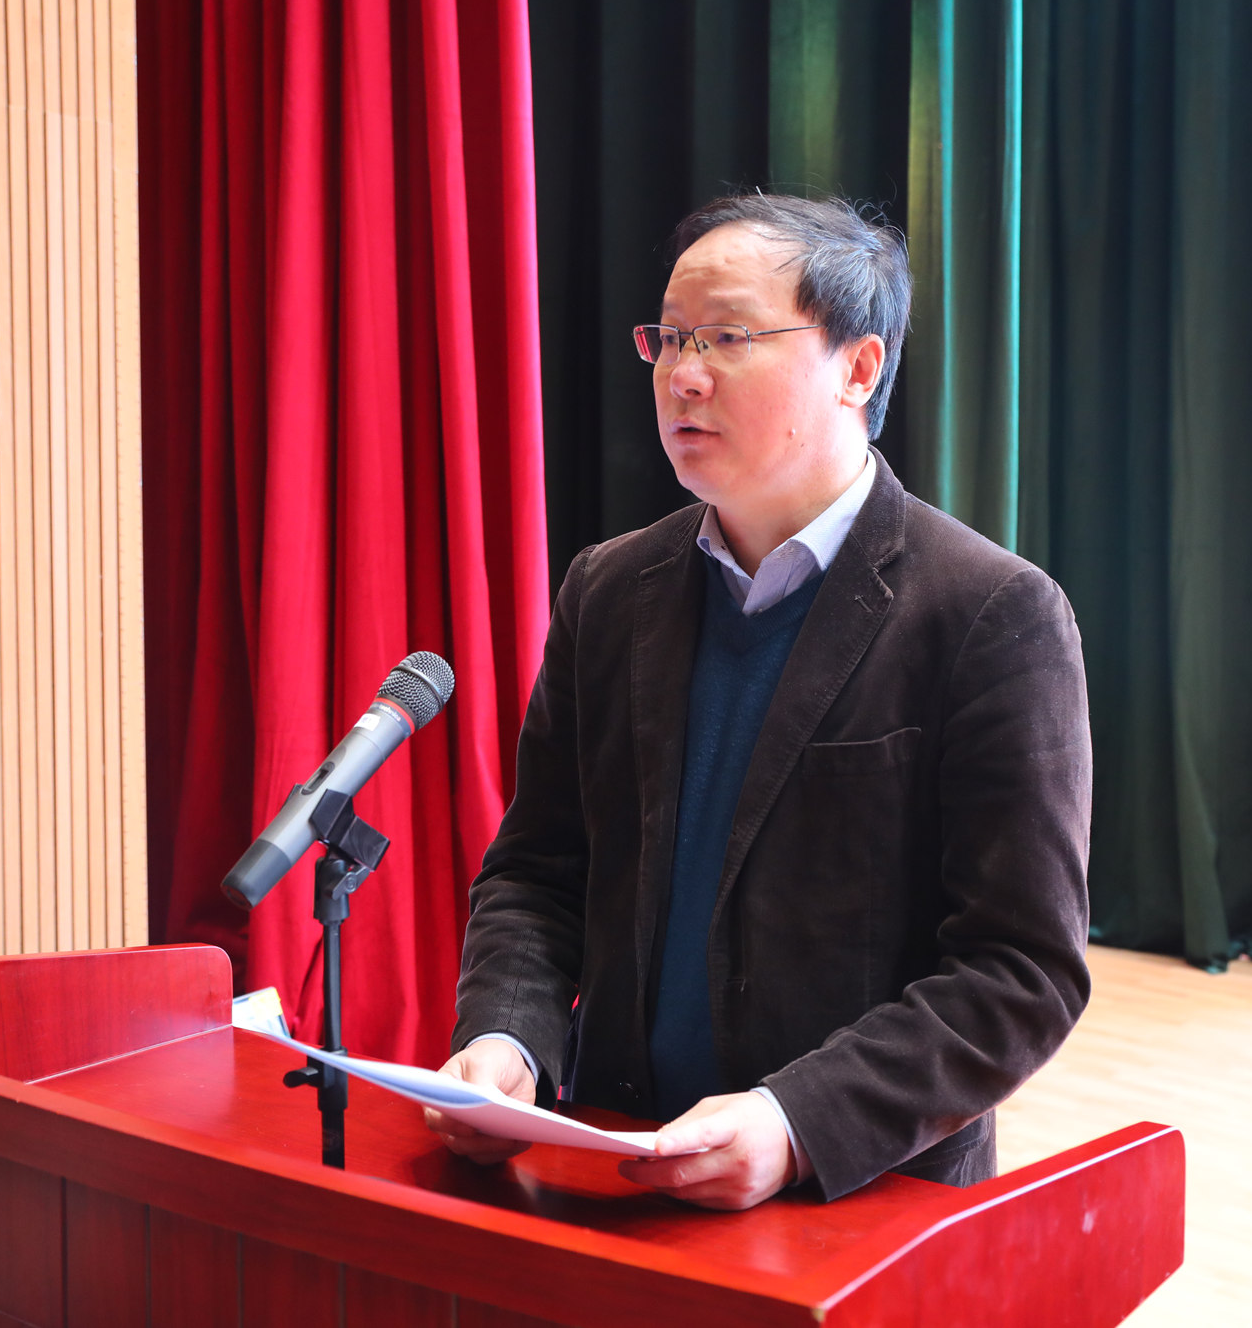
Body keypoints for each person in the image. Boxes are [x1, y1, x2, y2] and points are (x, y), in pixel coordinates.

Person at [423, 192, 1092, 1210]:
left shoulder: (989, 613)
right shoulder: (609, 588)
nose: (682, 374)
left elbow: (1020, 969)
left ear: (857, 369)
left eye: (727, 337)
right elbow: (538, 873)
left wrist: (796, 1122)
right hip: (611, 1160)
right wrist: (505, 1038)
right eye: (669, 338)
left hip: (855, 1201)